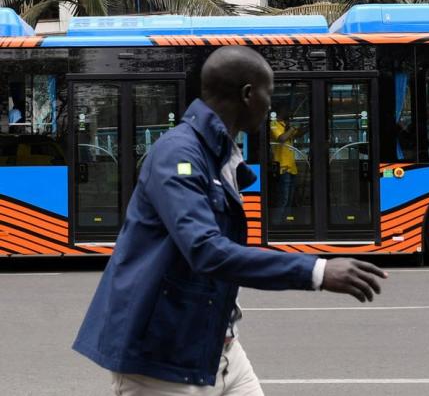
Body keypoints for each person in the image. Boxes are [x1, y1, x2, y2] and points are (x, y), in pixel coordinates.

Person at [72, 46, 387, 396]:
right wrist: (317, 272)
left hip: (221, 353)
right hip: (162, 365)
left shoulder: (219, 156)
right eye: (270, 94)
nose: (271, 106)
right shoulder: (178, 154)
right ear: (249, 94)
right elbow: (206, 250)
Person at [269, 106, 300, 221]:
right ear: (281, 111)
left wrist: (305, 127)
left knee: (290, 200)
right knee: (283, 199)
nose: (289, 112)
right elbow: (281, 138)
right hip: (282, 167)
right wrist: (292, 128)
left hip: (292, 167)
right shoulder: (273, 124)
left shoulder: (285, 125)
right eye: (287, 109)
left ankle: (285, 223)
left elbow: (297, 134)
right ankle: (277, 224)